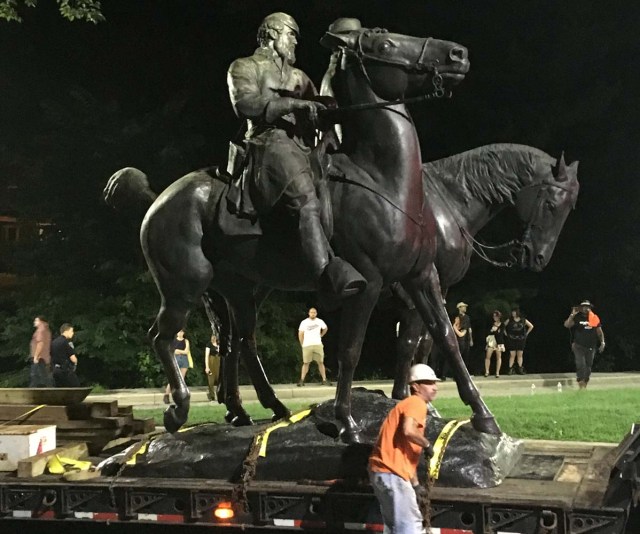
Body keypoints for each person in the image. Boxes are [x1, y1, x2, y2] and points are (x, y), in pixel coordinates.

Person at [226, 12, 365, 300]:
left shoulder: (299, 76)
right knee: (305, 200)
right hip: (268, 142)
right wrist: (293, 104)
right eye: (291, 36)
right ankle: (326, 274)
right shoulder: (244, 66)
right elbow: (246, 104)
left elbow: (322, 105)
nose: (294, 43)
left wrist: (331, 74)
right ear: (273, 33)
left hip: (301, 145)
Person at [368, 363, 439, 534]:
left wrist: (415, 485)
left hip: (381, 472)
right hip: (392, 473)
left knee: (393, 526)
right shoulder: (416, 403)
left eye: (435, 383)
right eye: (429, 383)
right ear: (415, 386)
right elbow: (408, 430)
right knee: (409, 525)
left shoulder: (406, 405)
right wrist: (427, 444)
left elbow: (405, 453)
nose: (434, 387)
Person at [564, 300, 605, 390]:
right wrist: (572, 315)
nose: (585, 308)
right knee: (580, 364)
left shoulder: (594, 318)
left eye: (587, 306)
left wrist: (602, 342)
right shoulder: (577, 317)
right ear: (581, 308)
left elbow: (599, 332)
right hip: (578, 345)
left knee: (588, 366)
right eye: (583, 306)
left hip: (591, 346)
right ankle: (580, 383)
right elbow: (567, 325)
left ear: (590, 308)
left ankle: (585, 383)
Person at [297, 307, 331, 386]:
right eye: (311, 312)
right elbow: (300, 333)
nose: (313, 314)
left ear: (316, 313)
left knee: (321, 362)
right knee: (306, 363)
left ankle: (324, 379)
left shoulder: (319, 321)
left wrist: (321, 335)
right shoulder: (304, 322)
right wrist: (302, 344)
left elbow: (325, 328)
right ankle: (302, 380)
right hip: (307, 345)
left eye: (314, 312)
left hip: (317, 344)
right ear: (309, 313)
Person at [163, 330, 192, 404]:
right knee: (173, 378)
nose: (180, 333)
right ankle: (166, 395)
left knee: (181, 379)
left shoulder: (186, 341)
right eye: (179, 332)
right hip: (176, 359)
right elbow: (173, 351)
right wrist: (179, 351)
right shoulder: (173, 341)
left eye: (182, 332)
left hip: (184, 359)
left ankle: (180, 396)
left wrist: (178, 350)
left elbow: (186, 351)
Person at [504, 308, 534, 375]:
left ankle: (520, 368)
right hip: (512, 339)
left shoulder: (523, 320)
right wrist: (506, 334)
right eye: (512, 313)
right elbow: (503, 325)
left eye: (514, 312)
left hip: (521, 339)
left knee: (520, 355)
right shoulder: (510, 320)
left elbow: (531, 326)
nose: (513, 314)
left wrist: (526, 334)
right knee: (512, 354)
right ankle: (510, 369)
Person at [51, 323, 80, 387]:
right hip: (65, 370)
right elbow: (73, 359)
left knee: (60, 389)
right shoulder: (66, 342)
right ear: (66, 331)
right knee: (76, 386)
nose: (73, 333)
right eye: (71, 331)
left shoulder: (53, 342)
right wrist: (75, 363)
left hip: (55, 370)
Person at [29, 316, 53, 387]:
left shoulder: (40, 330)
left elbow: (40, 343)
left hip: (39, 357)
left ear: (41, 322)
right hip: (43, 357)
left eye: (36, 321)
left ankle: (31, 392)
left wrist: (36, 356)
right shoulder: (46, 330)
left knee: (35, 375)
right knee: (43, 376)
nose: (34, 322)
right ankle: (50, 389)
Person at [452, 302, 473, 371]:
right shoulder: (457, 317)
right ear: (460, 308)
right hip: (459, 338)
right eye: (463, 307)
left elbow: (469, 328)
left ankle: (465, 371)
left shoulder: (467, 317)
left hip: (466, 338)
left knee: (466, 356)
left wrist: (471, 339)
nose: (465, 308)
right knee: (458, 355)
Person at [485, 310, 506, 378]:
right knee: (488, 356)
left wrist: (495, 330)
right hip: (491, 341)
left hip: (499, 342)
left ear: (499, 317)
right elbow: (488, 332)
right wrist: (491, 330)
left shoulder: (502, 324)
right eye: (494, 316)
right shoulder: (491, 323)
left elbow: (500, 333)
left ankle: (497, 372)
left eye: (496, 316)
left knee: (498, 357)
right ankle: (487, 371)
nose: (494, 318)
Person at [204, 333, 221, 401]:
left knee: (219, 379)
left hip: (218, 362)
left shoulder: (219, 344)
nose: (214, 338)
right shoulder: (209, 344)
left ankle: (220, 395)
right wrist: (207, 367)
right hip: (211, 362)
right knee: (211, 381)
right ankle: (211, 395)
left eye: (215, 336)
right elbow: (207, 356)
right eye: (213, 336)